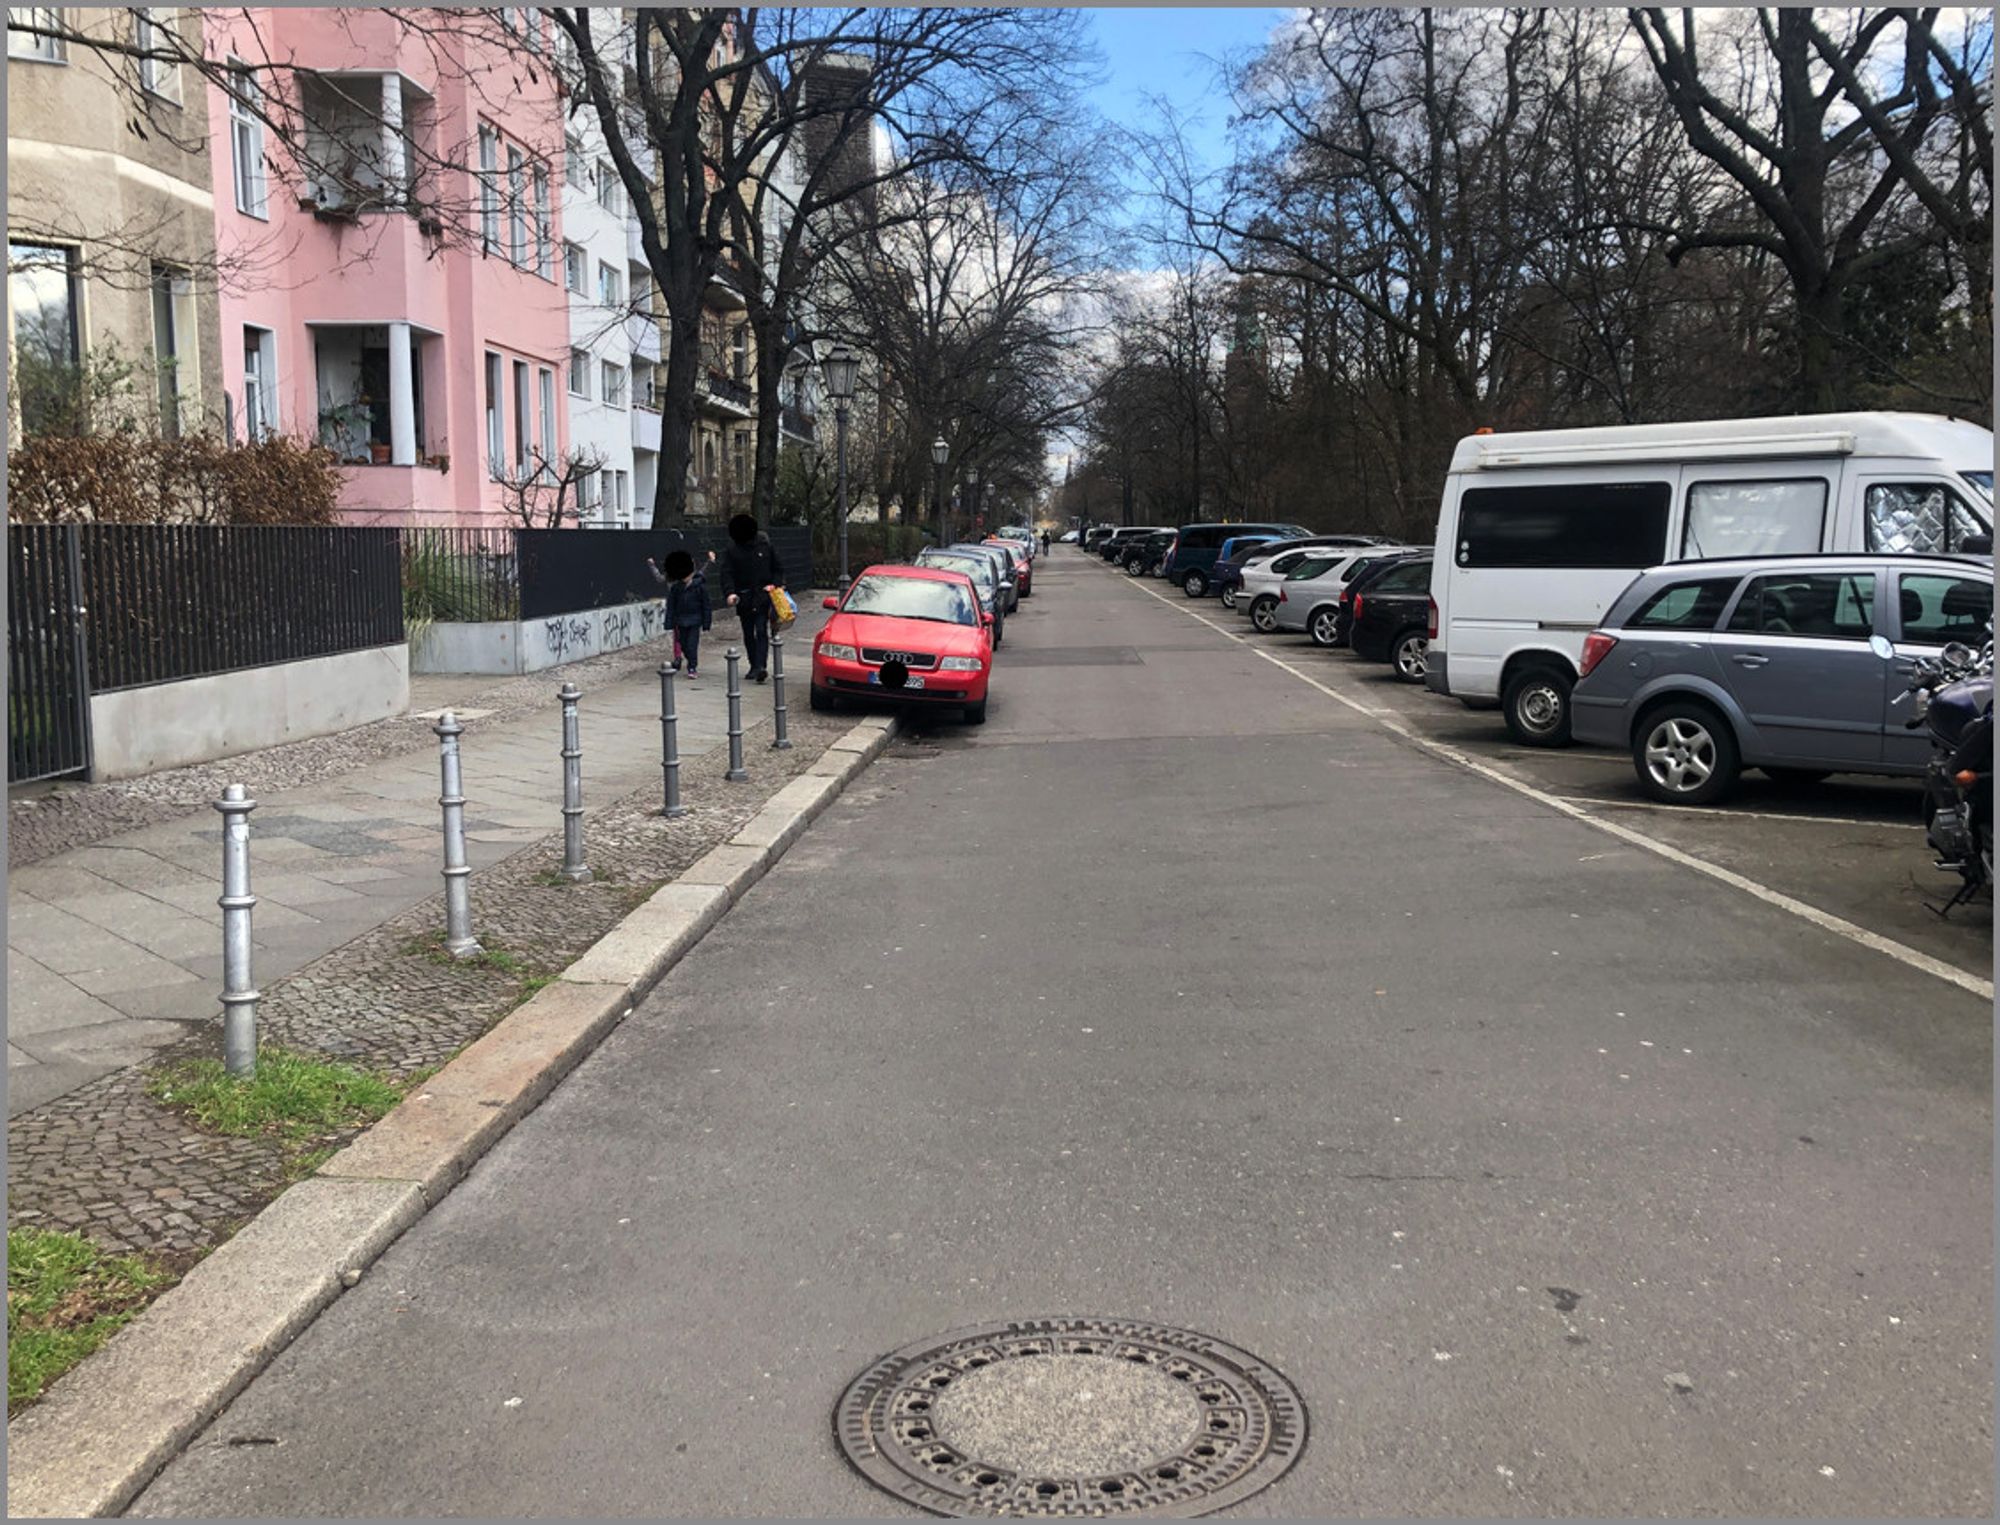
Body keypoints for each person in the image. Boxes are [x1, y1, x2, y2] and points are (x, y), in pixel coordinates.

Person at [718, 512, 785, 681]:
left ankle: (761, 666)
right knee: (748, 632)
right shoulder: (732, 549)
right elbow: (726, 573)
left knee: (761, 630)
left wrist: (774, 585)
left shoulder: (765, 545)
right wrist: (730, 593)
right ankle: (754, 665)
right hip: (744, 596)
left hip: (763, 595)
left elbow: (778, 568)